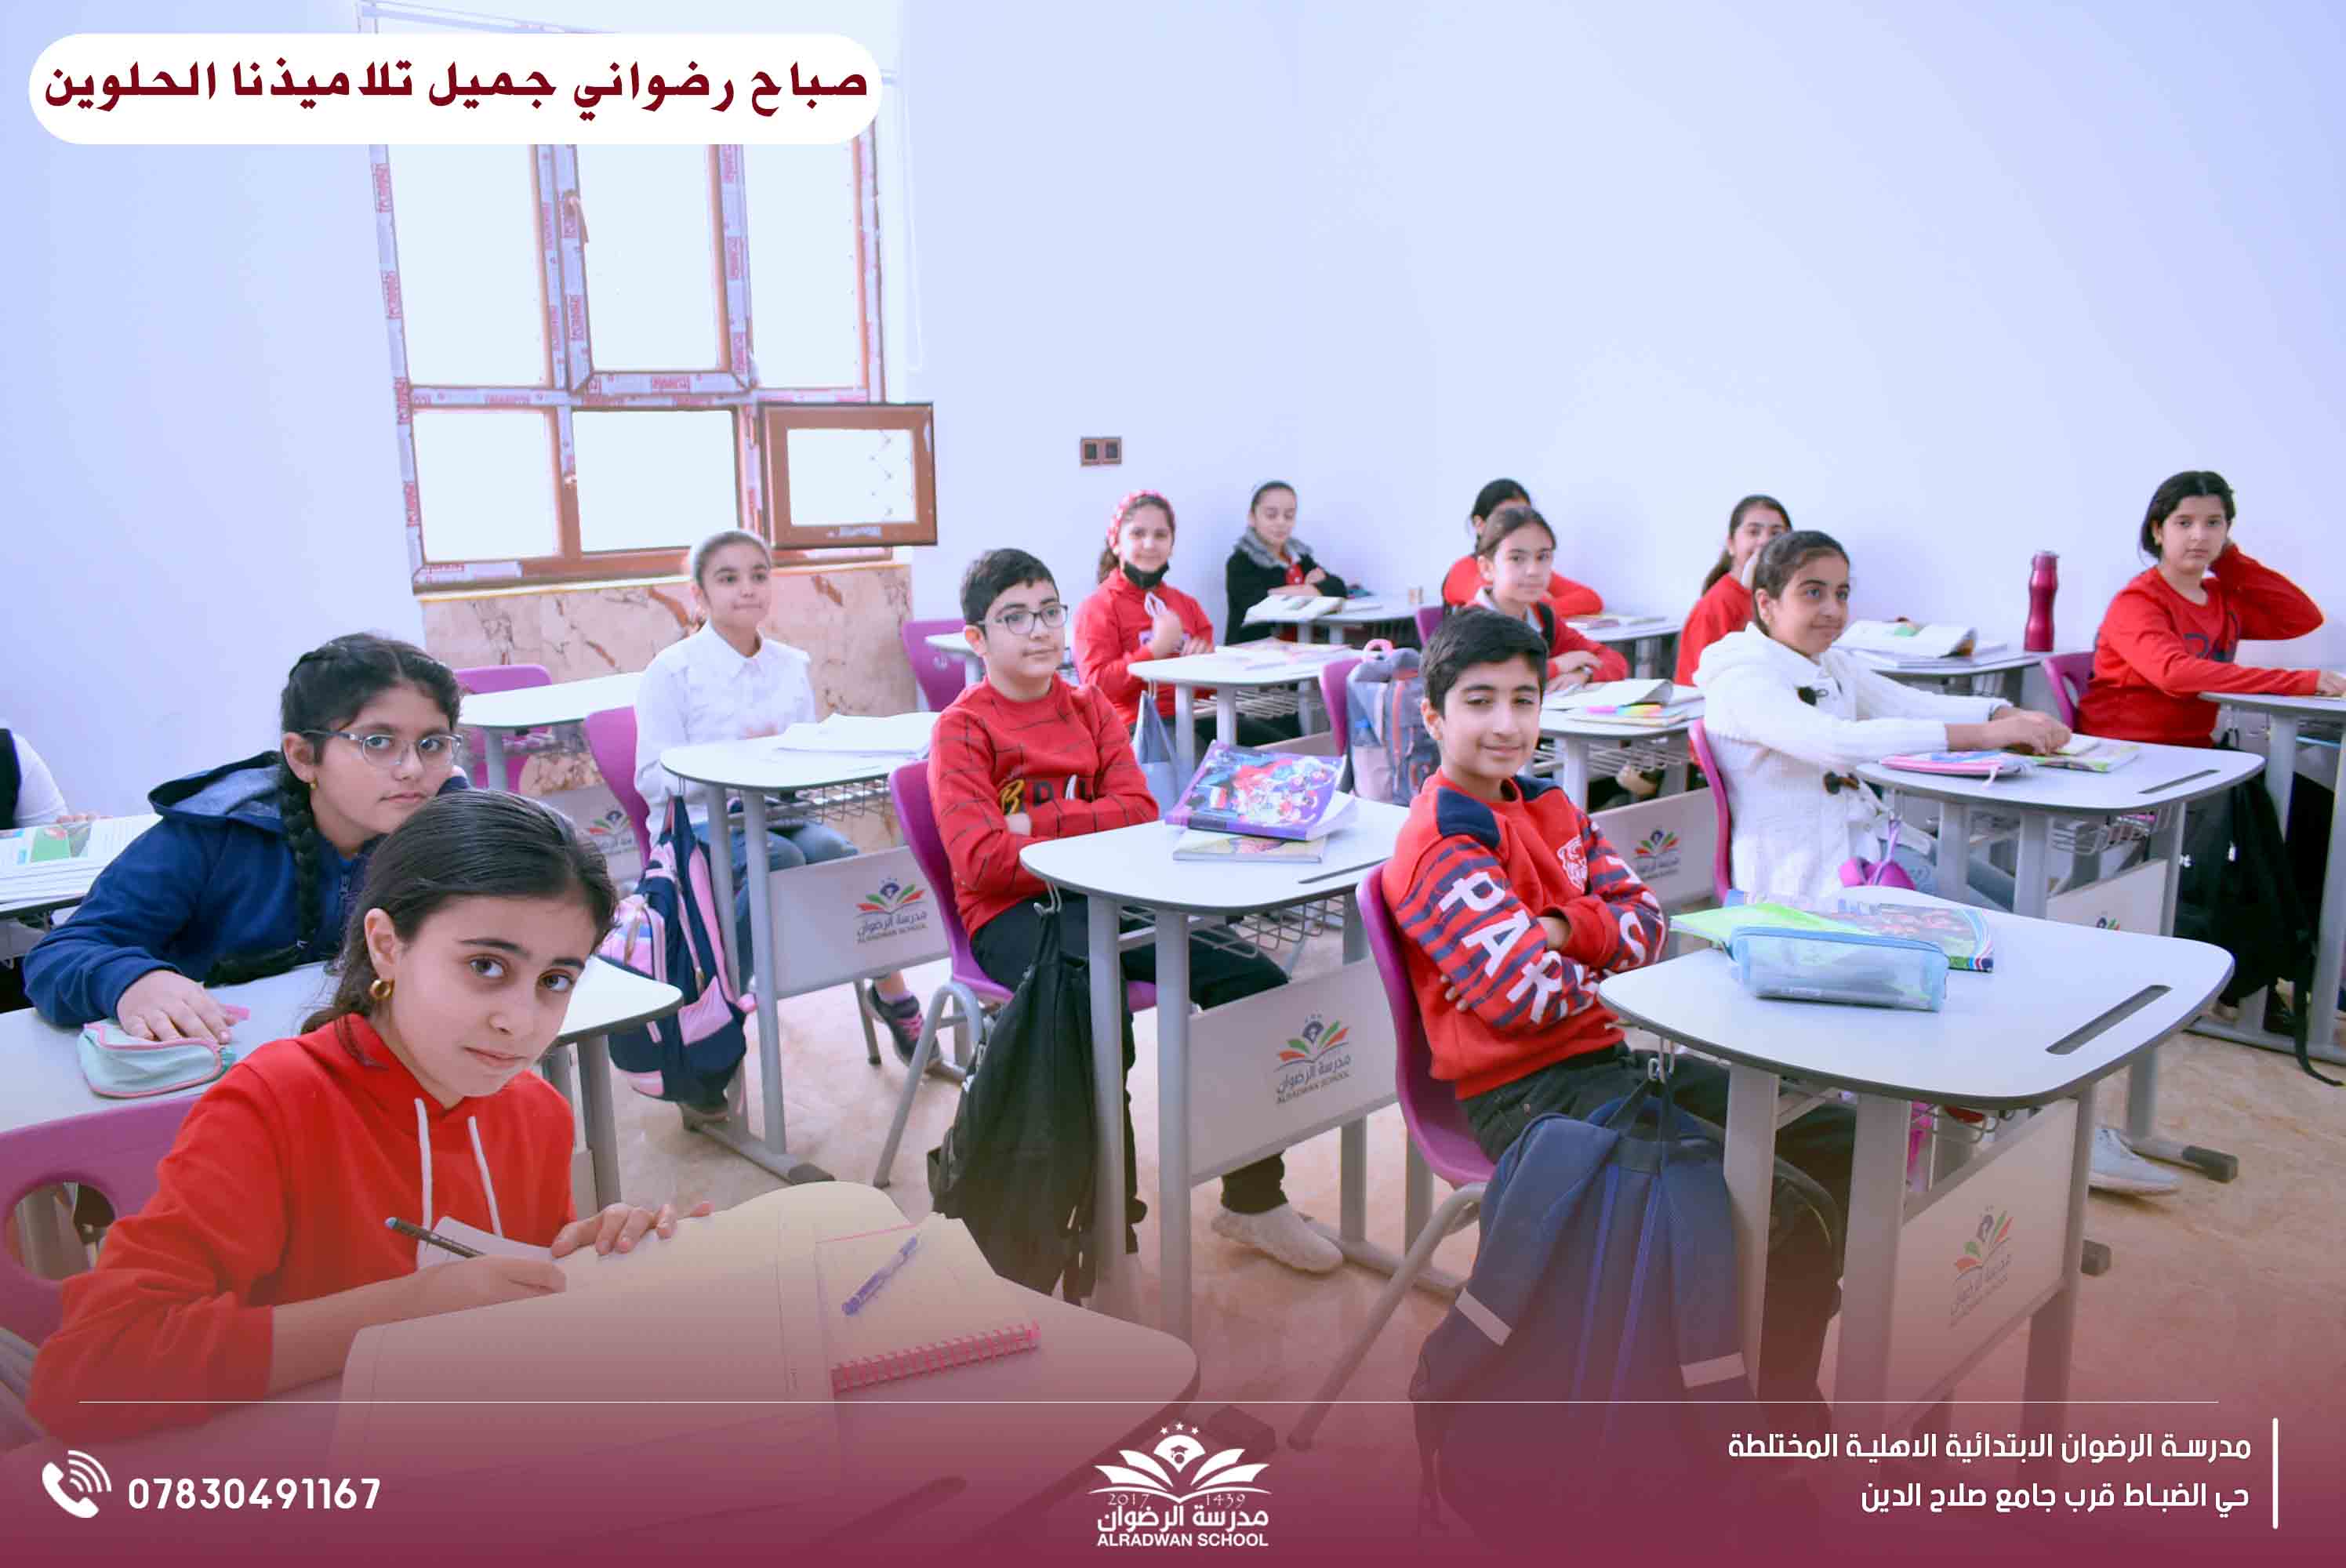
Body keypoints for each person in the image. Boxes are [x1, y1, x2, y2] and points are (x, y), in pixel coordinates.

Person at [26, 791, 707, 1441]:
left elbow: (505, 1310)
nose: (521, 1021)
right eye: (485, 966)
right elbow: (85, 1375)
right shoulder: (273, 1105)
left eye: (555, 980)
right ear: (387, 945)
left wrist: (579, 1261)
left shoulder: (536, 1113)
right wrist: (409, 1310)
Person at [1381, 610, 1853, 1407]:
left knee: (1840, 1137)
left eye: (1524, 700)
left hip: (1604, 1061)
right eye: (1479, 701)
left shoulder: (1550, 805)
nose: (1506, 724)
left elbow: (1651, 924)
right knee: (1791, 1215)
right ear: (1433, 717)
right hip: (1526, 1097)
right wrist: (1597, 953)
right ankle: (1761, 1422)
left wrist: (1558, 930)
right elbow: (1524, 996)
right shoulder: (1442, 840)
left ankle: (1732, 1340)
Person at [934, 547, 1342, 1272]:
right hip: (1012, 915)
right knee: (1096, 1009)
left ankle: (1254, 1200)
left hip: (1108, 895)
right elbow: (981, 861)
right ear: (977, 638)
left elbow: (1140, 813)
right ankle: (1099, 1215)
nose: (1040, 630)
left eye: (1049, 611)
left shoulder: (1088, 705)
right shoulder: (963, 728)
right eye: (1015, 617)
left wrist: (1035, 822)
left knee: (1255, 979)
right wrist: (1081, 821)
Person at [25, 635, 470, 1040]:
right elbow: (59, 956)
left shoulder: (450, 830)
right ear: (303, 756)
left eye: (432, 744)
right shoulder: (211, 835)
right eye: (378, 742)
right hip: (221, 1060)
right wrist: (131, 981)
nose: (413, 769)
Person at [632, 528, 923, 1100]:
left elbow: (799, 759)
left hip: (777, 815)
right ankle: (716, 1016)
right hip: (702, 825)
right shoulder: (672, 671)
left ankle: (890, 992)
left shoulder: (791, 665)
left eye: (759, 575)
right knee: (779, 859)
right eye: (728, 578)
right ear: (698, 595)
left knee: (837, 854)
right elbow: (650, 779)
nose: (747, 588)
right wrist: (735, 761)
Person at [1694, 530, 2065, 904]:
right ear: (1766, 603)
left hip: (1872, 844)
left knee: (2020, 904)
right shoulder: (1742, 678)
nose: (1833, 610)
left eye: (1841, 594)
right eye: (1813, 593)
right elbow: (1836, 743)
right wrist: (1986, 735)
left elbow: (1908, 705)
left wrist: (2003, 713)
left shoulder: (1828, 662)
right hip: (1811, 876)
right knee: (2000, 925)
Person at [2075, 470, 2341, 745]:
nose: (2199, 536)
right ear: (2157, 531)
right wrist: (2298, 681)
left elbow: (2301, 618)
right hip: (2127, 750)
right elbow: (2174, 674)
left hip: (2196, 750)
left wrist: (2229, 561)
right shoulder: (2136, 601)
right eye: (2184, 523)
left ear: (2227, 531)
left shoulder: (2222, 598)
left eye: (2213, 523)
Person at [1074, 489, 1296, 754]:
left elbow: (1210, 689)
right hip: (1137, 727)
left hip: (1198, 717)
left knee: (1286, 754)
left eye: (1160, 535)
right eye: (1137, 534)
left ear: (1171, 544)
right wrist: (1154, 650)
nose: (1150, 544)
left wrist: (1205, 664)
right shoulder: (1097, 607)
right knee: (1210, 764)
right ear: (1116, 543)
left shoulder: (1187, 605)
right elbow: (1097, 687)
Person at [1467, 505, 1629, 692]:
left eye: (1543, 557)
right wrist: (1557, 666)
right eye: (1516, 558)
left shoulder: (1543, 618)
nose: (1533, 571)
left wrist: (1584, 674)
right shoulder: (1470, 625)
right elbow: (1494, 679)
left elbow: (1614, 660)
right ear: (1487, 568)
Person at [1438, 478, 1603, 616]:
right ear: (1480, 525)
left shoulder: (1531, 567)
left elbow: (1591, 599)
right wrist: (1544, 601)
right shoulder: (1463, 570)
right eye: (1505, 518)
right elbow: (1512, 607)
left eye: (1525, 515)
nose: (1519, 526)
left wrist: (1544, 604)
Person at [1676, 495, 1793, 685]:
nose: (1765, 541)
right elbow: (1701, 683)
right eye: (1753, 532)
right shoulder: (1717, 604)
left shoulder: (1785, 599)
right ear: (1731, 544)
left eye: (1776, 533)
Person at [1224, 480, 1349, 644]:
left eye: (1289, 515)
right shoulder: (1240, 562)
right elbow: (1259, 603)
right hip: (1251, 650)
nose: (1281, 522)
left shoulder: (1300, 558)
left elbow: (1338, 588)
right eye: (1271, 515)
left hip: (1299, 648)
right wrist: (1310, 590)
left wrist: (1282, 593)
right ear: (1252, 517)